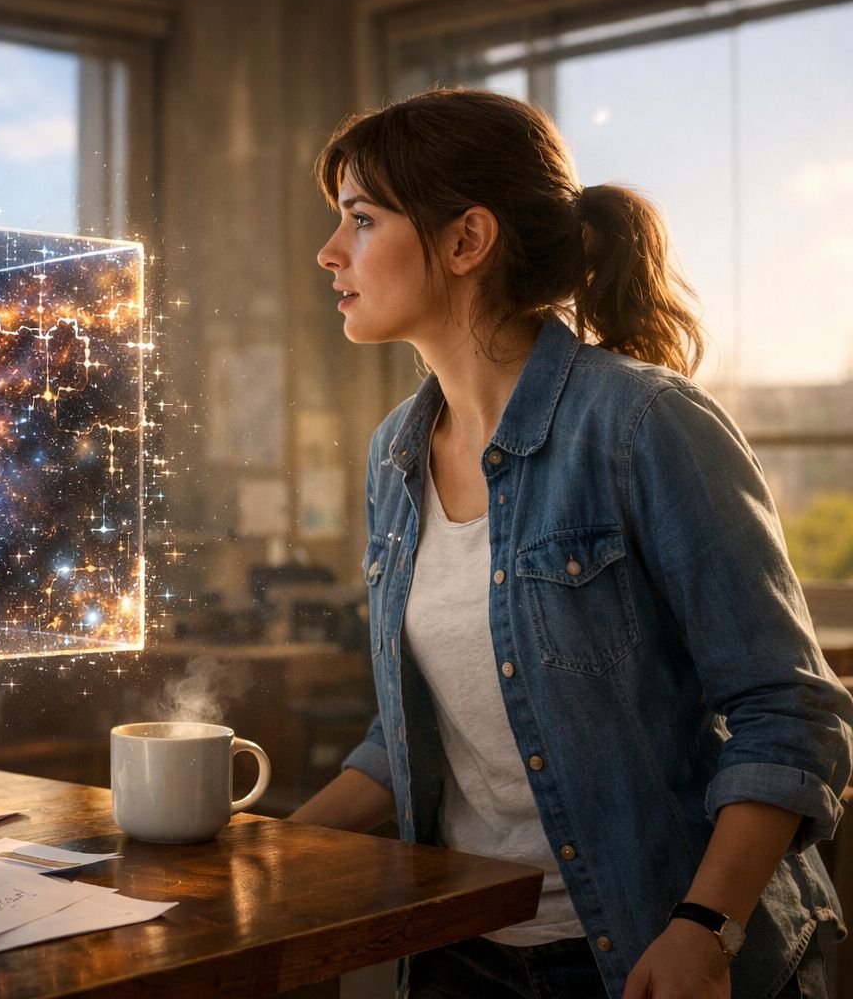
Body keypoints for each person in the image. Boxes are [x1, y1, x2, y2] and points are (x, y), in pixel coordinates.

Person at [289, 87, 853, 999]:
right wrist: (264, 857)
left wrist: (704, 930)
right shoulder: (395, 452)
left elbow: (791, 715)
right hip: (463, 951)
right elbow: (412, 741)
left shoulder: (644, 424)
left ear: (467, 241)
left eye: (361, 219)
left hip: (652, 950)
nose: (329, 251)